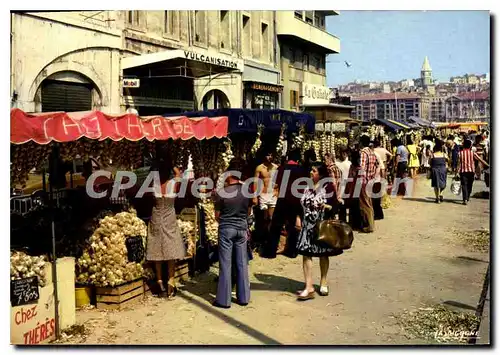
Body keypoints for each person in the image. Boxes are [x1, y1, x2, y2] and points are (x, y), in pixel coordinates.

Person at [295, 162, 343, 300]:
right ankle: (308, 286)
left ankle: (323, 281)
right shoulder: (305, 185)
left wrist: (326, 206)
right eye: (311, 170)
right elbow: (300, 203)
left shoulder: (328, 187)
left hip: (321, 225)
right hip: (307, 225)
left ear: (321, 174)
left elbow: (335, 206)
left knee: (323, 254)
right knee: (306, 254)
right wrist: (298, 218)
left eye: (314, 171)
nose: (311, 172)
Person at [213, 158, 251, 308]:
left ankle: (224, 300)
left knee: (225, 264)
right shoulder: (246, 192)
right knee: (242, 263)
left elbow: (217, 216)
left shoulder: (221, 193)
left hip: (226, 229)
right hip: (242, 229)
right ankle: (244, 298)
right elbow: (248, 212)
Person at [146, 157, 186, 298]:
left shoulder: (154, 184)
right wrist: (172, 164)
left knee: (157, 248)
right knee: (171, 249)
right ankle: (171, 280)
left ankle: (159, 281)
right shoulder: (173, 183)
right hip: (169, 217)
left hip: (156, 216)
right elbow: (179, 175)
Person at [265, 148, 307, 259]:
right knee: (293, 226)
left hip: (282, 200)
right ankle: (291, 251)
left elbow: (275, 183)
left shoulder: (281, 168)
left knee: (276, 226)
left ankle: (271, 252)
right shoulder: (302, 170)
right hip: (296, 200)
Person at [458, 139, 489, 205]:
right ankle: (467, 197)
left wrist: (456, 172)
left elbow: (458, 163)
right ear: (470, 146)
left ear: (463, 145)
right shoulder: (472, 153)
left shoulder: (460, 153)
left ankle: (465, 199)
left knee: (464, 185)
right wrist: (487, 165)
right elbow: (480, 159)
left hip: (463, 171)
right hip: (471, 171)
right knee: (469, 185)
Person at [357, 135, 379, 233]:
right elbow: (377, 165)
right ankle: (370, 223)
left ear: (361, 142)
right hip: (370, 181)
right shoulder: (372, 152)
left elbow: (361, 168)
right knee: (369, 202)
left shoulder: (363, 153)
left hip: (363, 181)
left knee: (365, 204)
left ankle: (370, 226)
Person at [253, 150, 278, 232]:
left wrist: (278, 192)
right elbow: (255, 182)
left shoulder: (276, 167)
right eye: (268, 155)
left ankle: (269, 236)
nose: (270, 157)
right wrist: (255, 196)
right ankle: (263, 236)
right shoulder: (259, 168)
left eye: (271, 155)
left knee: (271, 217)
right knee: (264, 217)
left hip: (273, 194)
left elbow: (280, 181)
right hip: (263, 194)